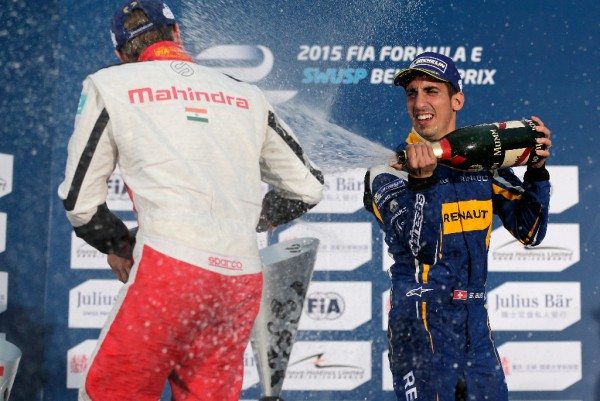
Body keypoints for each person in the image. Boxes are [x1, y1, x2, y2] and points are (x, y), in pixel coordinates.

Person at [58, 1, 324, 400]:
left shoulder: (110, 84)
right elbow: (308, 188)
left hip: (169, 272)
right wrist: (246, 221)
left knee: (110, 393)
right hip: (238, 282)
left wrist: (118, 245)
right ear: (177, 34)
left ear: (120, 54)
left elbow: (80, 201)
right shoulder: (245, 93)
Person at [363, 52, 552, 401]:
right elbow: (423, 248)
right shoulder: (387, 171)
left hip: (474, 323)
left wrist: (537, 171)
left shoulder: (480, 161)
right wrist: (423, 184)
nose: (420, 102)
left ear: (457, 100)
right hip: (420, 320)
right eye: (411, 93)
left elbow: (531, 232)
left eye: (431, 91)